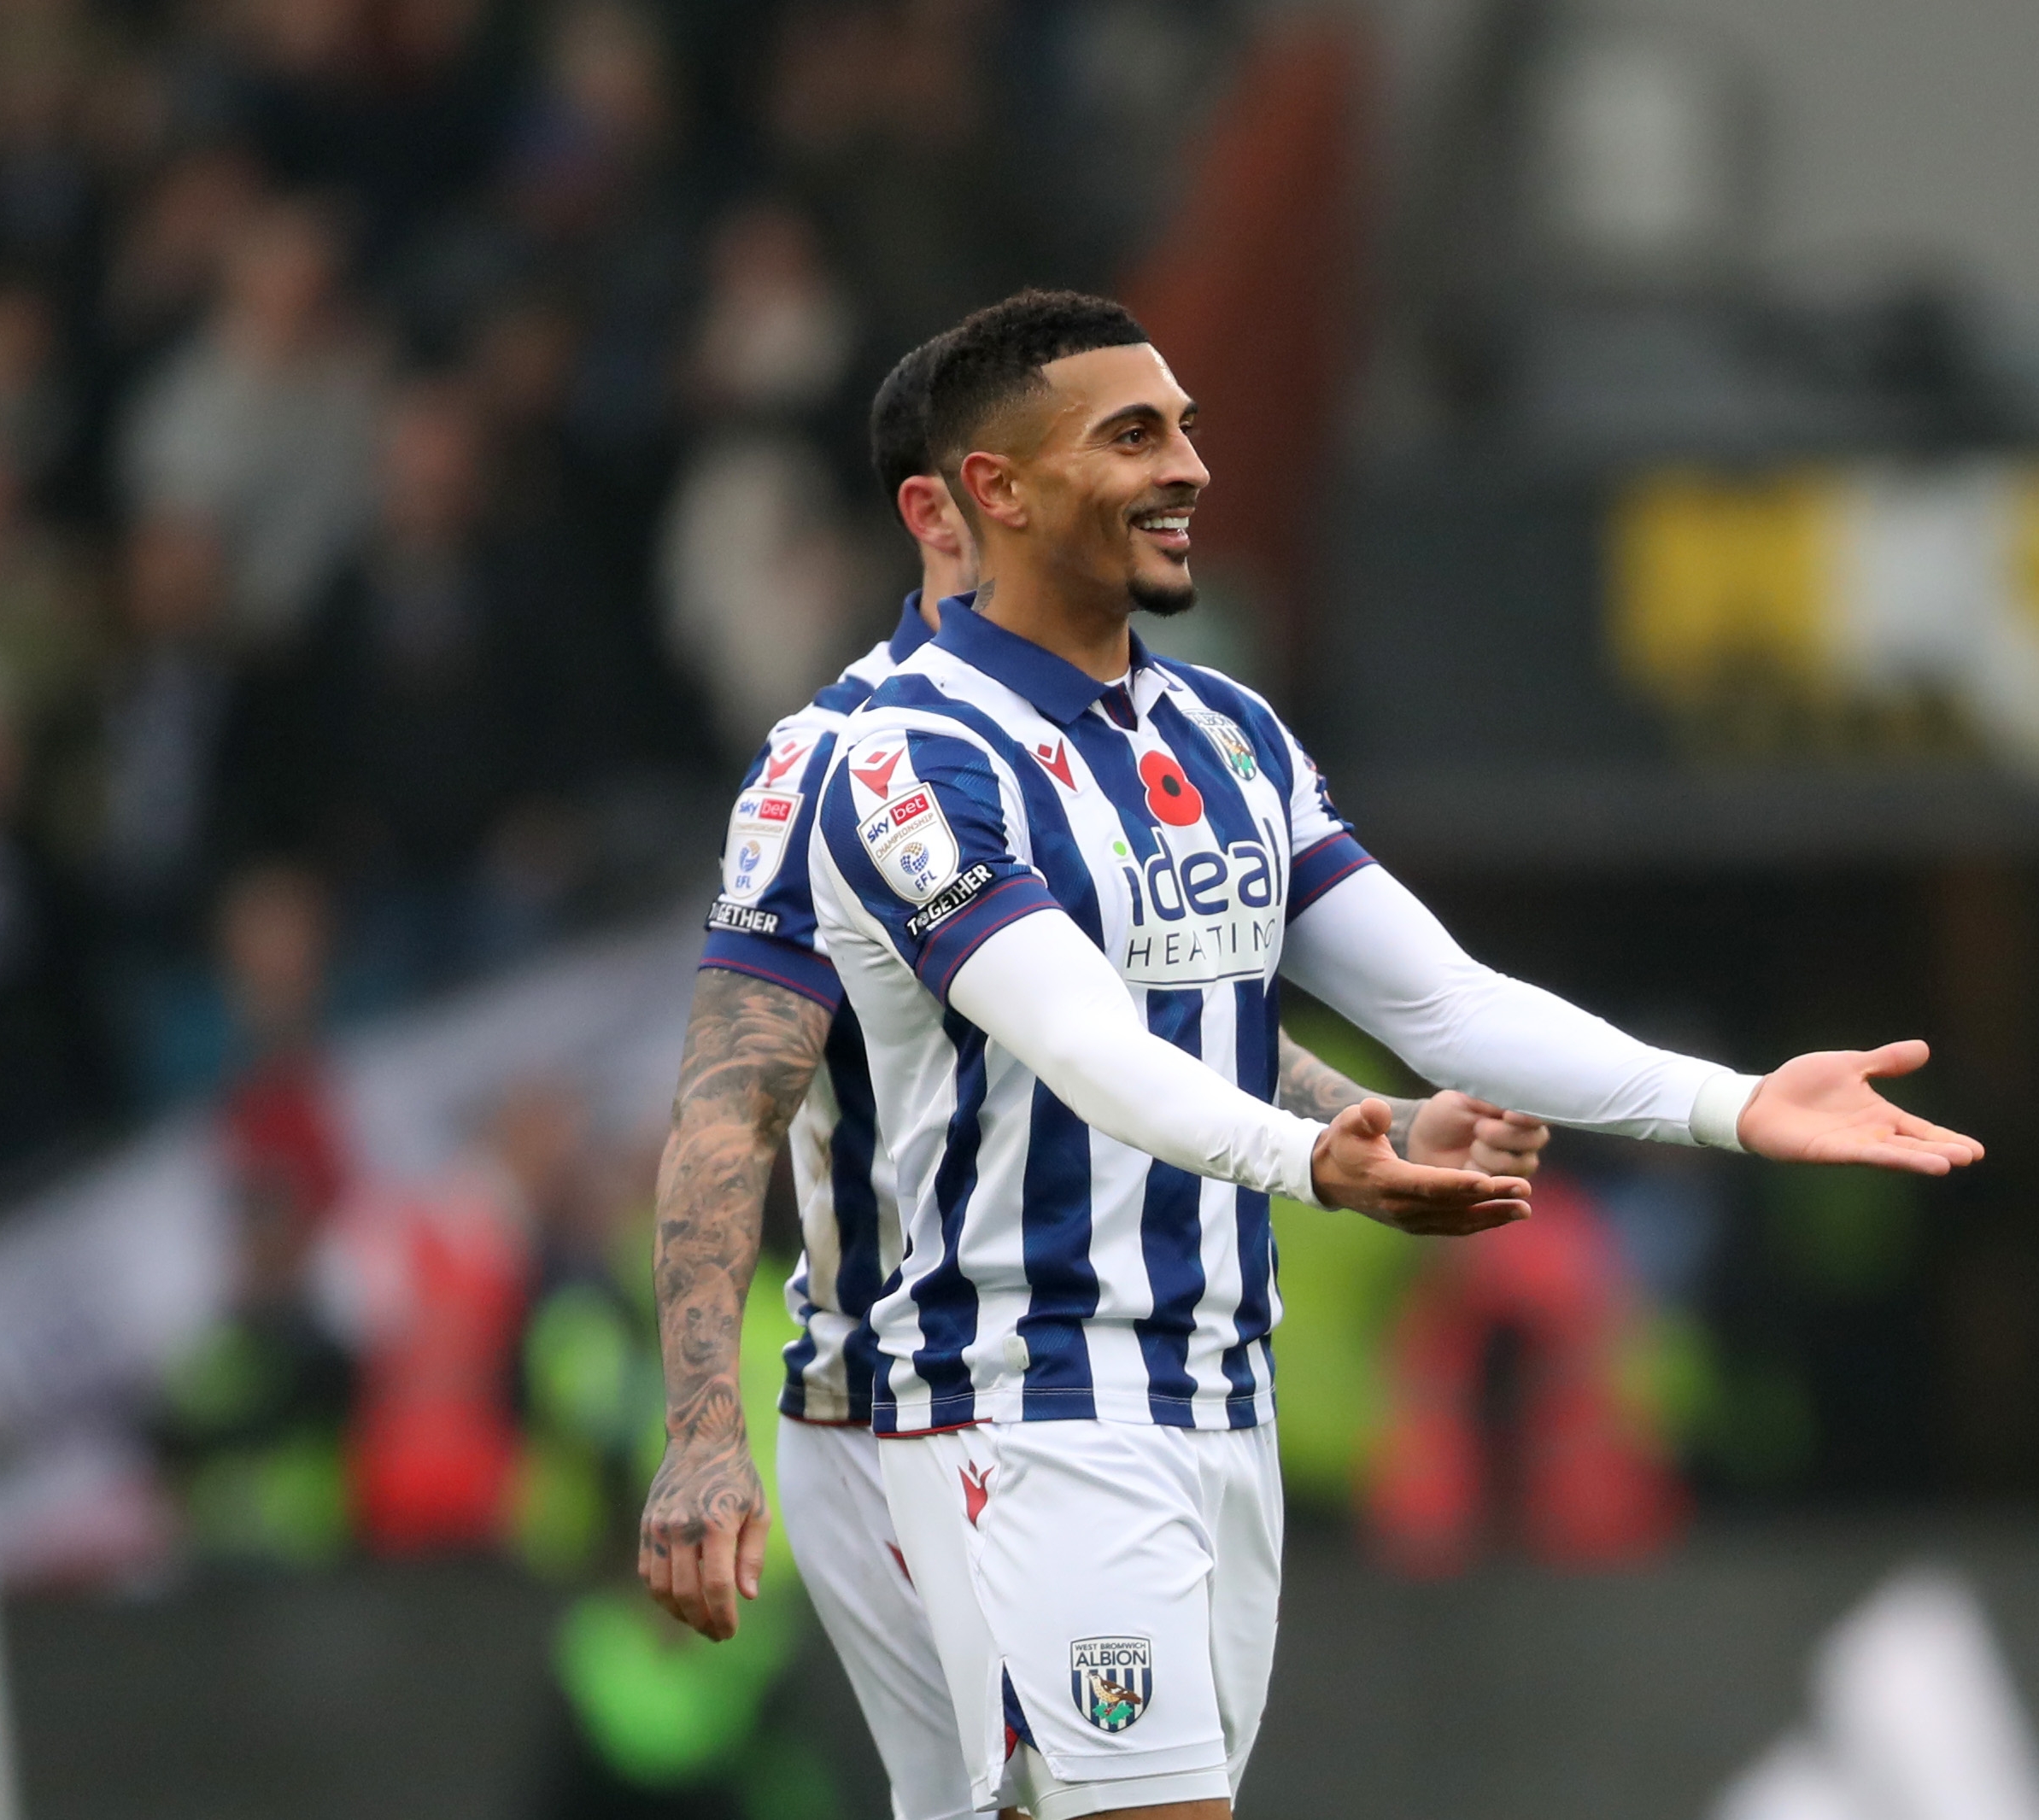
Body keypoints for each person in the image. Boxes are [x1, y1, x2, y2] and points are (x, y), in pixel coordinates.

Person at [651, 290, 1980, 1820]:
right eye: (1134, 434)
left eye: (1188, 429)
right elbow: (1063, 1052)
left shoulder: (1226, 736)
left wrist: (1735, 1105)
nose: (1192, 468)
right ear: (979, 496)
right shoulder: (887, 764)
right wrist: (1322, 1168)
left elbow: (1440, 1003)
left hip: (1218, 1390)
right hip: (1009, 1397)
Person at [644, 328, 1549, 1820]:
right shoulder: (853, 763)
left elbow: (1146, 1020)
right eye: (1117, 450)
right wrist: (697, 1434)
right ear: (952, 508)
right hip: (927, 1393)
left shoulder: (1148, 728)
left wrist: (1353, 1120)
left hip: (1172, 1381)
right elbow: (732, 1098)